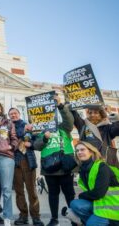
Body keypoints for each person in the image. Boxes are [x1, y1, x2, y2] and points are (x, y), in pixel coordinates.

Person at [33, 96, 76, 226]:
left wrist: (61, 106)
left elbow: (69, 121)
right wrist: (45, 138)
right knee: (53, 194)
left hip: (65, 165)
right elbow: (36, 146)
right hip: (49, 166)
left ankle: (74, 218)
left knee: (69, 194)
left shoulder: (64, 128)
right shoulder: (41, 132)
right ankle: (54, 218)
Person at [8, 107, 44, 226]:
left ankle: (36, 217)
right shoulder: (8, 127)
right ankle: (23, 216)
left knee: (32, 190)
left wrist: (31, 144)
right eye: (11, 114)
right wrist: (23, 131)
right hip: (15, 161)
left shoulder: (29, 126)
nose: (13, 115)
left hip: (28, 160)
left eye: (15, 113)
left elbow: (38, 143)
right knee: (19, 191)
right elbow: (9, 140)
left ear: (19, 114)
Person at [69, 141, 119, 226]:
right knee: (74, 204)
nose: (79, 152)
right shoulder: (84, 170)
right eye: (77, 151)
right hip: (100, 203)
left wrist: (82, 195)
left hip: (112, 206)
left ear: (91, 151)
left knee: (91, 224)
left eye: (82, 149)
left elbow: (98, 193)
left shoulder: (102, 167)